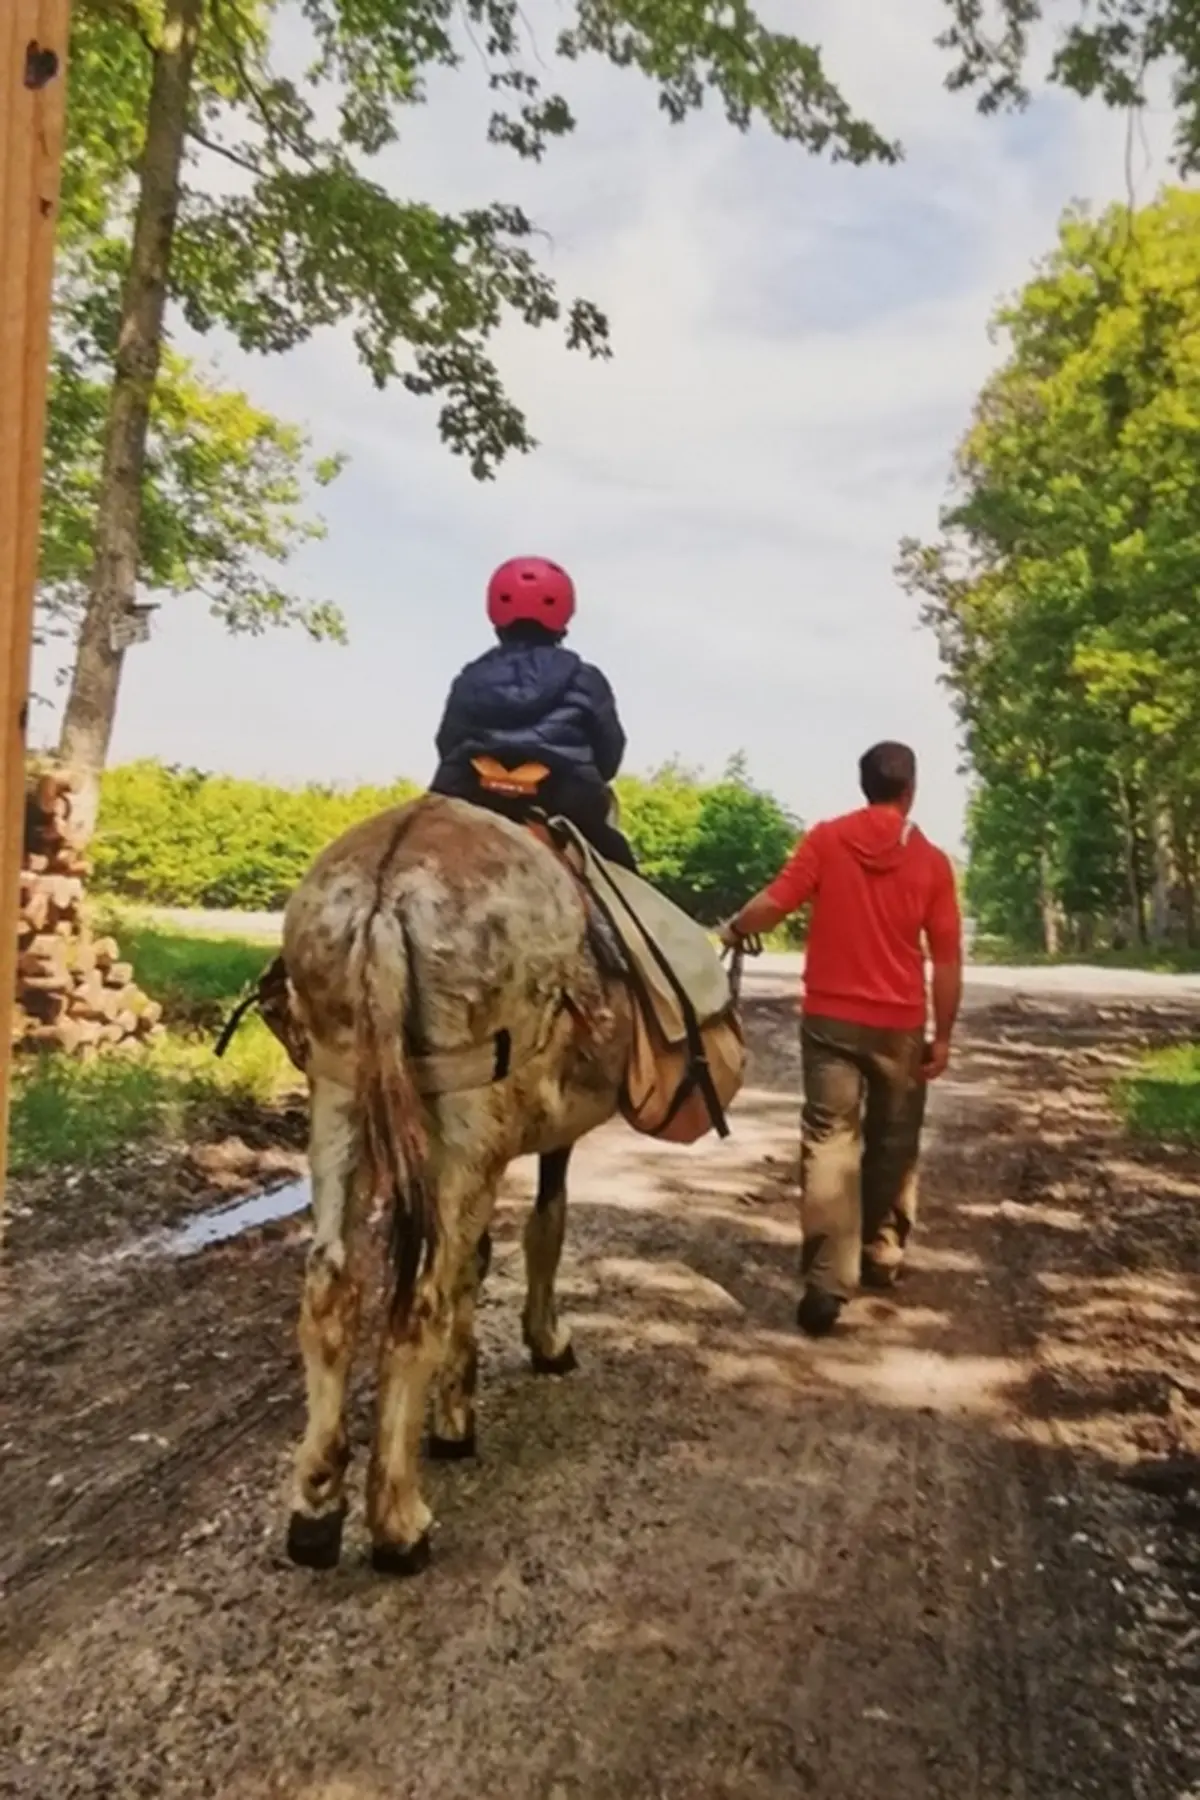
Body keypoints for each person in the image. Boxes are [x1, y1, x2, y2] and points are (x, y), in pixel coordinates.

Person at [721, 742, 962, 1338]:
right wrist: (944, 1035)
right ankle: (881, 1250)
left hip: (829, 1019)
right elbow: (948, 960)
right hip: (900, 1023)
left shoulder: (826, 841)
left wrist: (731, 929)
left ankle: (829, 1279)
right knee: (893, 1138)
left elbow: (774, 904)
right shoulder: (932, 862)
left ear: (865, 786)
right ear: (909, 790)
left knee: (829, 1141)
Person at [430, 556, 637, 870]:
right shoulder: (587, 680)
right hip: (567, 797)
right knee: (620, 870)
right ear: (564, 613)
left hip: (467, 791)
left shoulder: (469, 678)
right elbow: (609, 758)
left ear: (496, 614)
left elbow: (446, 743)